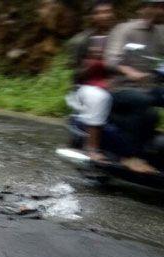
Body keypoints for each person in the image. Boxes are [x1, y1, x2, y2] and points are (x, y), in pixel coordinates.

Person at [105, 0, 164, 173]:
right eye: (158, 6)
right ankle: (130, 156)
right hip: (121, 87)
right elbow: (112, 59)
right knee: (142, 101)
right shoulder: (125, 29)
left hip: (148, 86)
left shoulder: (162, 31)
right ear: (145, 8)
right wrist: (130, 72)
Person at [67, 0, 116, 162]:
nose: (104, 16)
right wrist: (91, 62)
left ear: (113, 14)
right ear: (92, 17)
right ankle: (92, 147)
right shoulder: (83, 40)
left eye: (107, 11)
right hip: (89, 85)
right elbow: (77, 74)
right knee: (99, 97)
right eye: (99, 12)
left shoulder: (120, 37)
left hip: (118, 83)